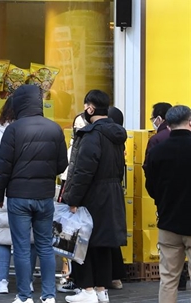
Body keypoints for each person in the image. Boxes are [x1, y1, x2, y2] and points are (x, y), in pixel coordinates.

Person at [0, 85, 68, 303]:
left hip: (18, 197)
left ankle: (25, 296)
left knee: (22, 247)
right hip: (44, 196)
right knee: (45, 246)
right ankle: (49, 295)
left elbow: (3, 167)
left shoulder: (13, 130)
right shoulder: (55, 129)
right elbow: (62, 165)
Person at [62, 90, 127, 303]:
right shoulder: (118, 135)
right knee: (104, 244)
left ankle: (87, 290)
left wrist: (73, 199)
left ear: (90, 108)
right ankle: (101, 290)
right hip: (112, 192)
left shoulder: (92, 135)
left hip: (93, 195)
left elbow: (83, 171)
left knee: (84, 242)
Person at [0, 96, 38, 294]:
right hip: (28, 190)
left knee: (2, 236)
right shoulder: (33, 131)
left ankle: (2, 280)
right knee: (29, 238)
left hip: (2, 191)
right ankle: (27, 281)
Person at [144, 105, 191, 303]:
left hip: (168, 222)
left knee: (168, 279)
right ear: (190, 122)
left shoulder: (157, 152)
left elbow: (151, 187)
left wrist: (163, 202)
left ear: (167, 124)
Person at [107, 106, 127, 290]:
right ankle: (116, 276)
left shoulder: (103, 138)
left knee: (103, 236)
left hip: (103, 191)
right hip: (116, 189)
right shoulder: (121, 140)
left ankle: (108, 278)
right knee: (112, 234)